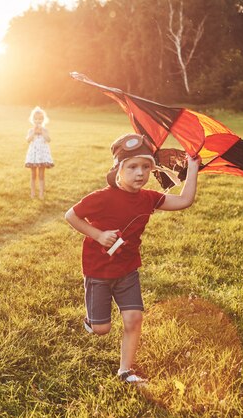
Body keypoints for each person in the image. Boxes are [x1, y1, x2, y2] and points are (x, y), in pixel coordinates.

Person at [64, 133, 200, 385]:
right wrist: (98, 234)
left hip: (127, 270)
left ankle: (125, 370)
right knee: (101, 329)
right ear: (118, 169)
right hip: (99, 271)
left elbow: (184, 200)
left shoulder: (148, 198)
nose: (140, 173)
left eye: (146, 167)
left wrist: (192, 168)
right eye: (132, 167)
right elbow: (71, 215)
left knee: (134, 318)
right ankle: (92, 321)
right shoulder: (102, 197)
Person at [24, 106, 54, 199]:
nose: (38, 121)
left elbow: (48, 139)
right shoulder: (31, 130)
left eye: (40, 119)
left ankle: (41, 194)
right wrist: (34, 132)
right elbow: (28, 140)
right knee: (33, 175)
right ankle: (32, 193)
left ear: (43, 120)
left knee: (41, 175)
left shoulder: (45, 130)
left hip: (42, 156)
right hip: (33, 156)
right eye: (36, 119)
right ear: (33, 120)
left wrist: (42, 132)